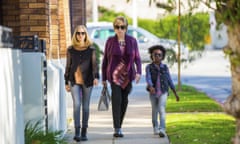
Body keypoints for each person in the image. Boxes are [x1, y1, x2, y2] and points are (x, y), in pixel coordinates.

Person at [101, 16, 142, 138]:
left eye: (122, 27)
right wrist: (103, 78)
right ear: (114, 28)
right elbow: (105, 60)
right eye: (117, 27)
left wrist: (139, 72)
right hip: (114, 76)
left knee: (124, 101)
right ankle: (117, 128)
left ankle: (119, 124)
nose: (119, 29)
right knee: (116, 101)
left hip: (128, 76)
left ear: (126, 28)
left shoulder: (132, 41)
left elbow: (138, 59)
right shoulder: (110, 41)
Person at [64, 25, 99, 142]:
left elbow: (94, 65)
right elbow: (68, 66)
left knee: (85, 106)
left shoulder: (91, 50)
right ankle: (77, 132)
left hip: (88, 80)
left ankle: (84, 131)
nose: (80, 35)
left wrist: (96, 77)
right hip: (73, 80)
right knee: (76, 105)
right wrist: (66, 82)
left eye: (82, 33)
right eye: (78, 33)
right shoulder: (70, 49)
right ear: (75, 35)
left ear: (86, 35)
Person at [145, 45, 179, 137]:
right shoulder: (149, 67)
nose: (157, 56)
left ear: (162, 56)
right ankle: (155, 127)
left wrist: (175, 93)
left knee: (161, 109)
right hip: (153, 93)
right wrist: (151, 86)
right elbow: (148, 78)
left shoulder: (165, 67)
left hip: (163, 92)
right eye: (155, 54)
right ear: (152, 56)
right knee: (154, 110)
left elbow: (170, 80)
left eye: (159, 55)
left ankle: (162, 129)